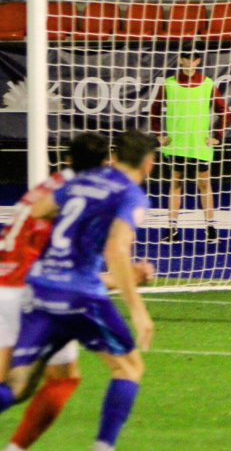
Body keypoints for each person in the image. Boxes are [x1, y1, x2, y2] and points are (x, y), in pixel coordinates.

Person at [0, 129, 157, 451]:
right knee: (128, 367)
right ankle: (103, 447)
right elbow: (116, 248)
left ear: (114, 157)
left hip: (39, 289)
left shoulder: (78, 182)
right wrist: (139, 312)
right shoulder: (130, 194)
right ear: (149, 163)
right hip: (77, 295)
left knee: (18, 384)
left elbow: (39, 210)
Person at [150, 48, 230, 244]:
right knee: (176, 184)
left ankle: (210, 228)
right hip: (177, 144)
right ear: (180, 60)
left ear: (198, 61)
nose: (190, 62)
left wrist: (217, 137)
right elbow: (154, 109)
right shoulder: (169, 84)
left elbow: (224, 111)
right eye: (186, 57)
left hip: (199, 146)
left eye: (193, 58)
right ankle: (173, 230)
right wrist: (159, 134)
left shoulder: (207, 84)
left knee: (204, 184)